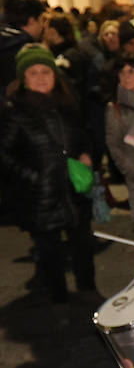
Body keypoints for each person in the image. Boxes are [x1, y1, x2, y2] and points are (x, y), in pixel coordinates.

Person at [0, 44, 98, 306]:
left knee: (82, 244)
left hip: (73, 188)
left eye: (46, 71)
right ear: (23, 78)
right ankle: (59, 300)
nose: (41, 77)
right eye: (33, 72)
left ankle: (88, 291)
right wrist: (33, 177)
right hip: (40, 194)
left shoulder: (67, 104)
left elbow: (83, 136)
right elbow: (5, 156)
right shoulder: (15, 112)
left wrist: (87, 155)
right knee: (50, 250)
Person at [105, 56, 134, 227]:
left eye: (131, 71)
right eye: (122, 73)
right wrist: (128, 167)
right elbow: (113, 143)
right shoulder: (115, 108)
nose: (126, 76)